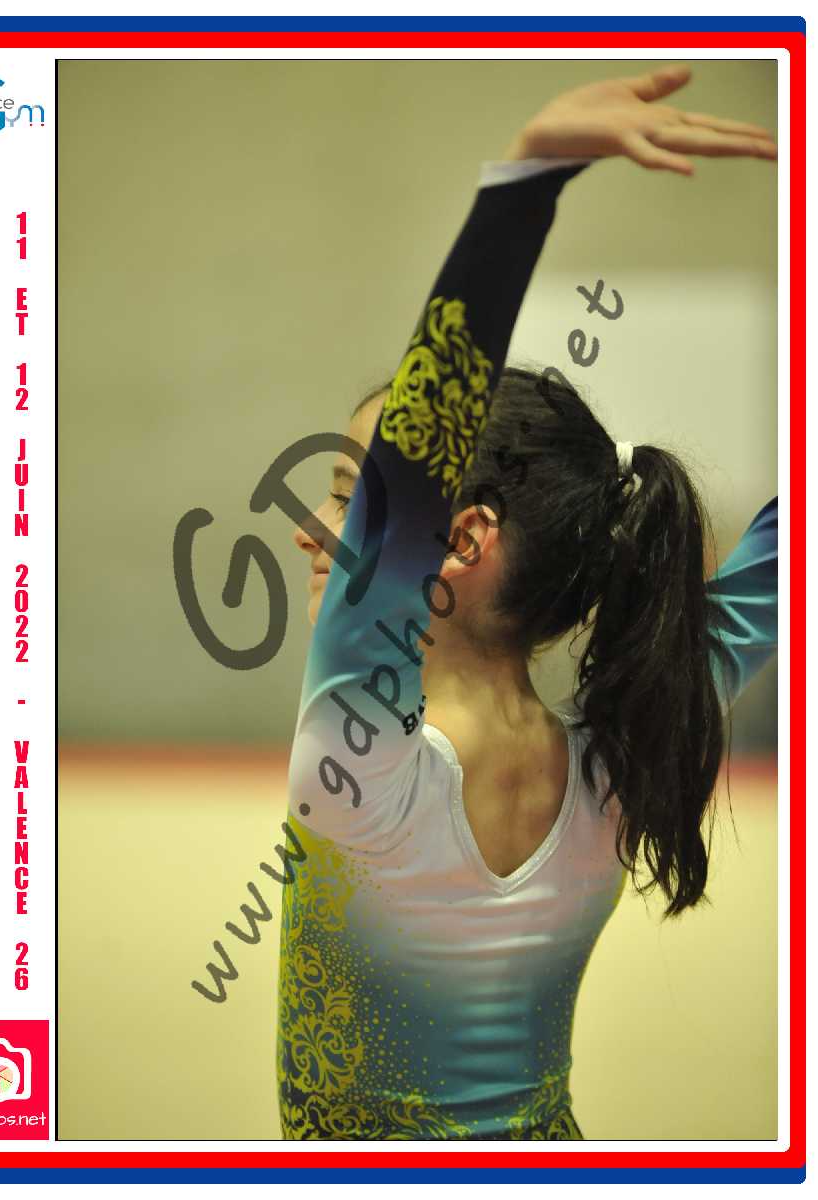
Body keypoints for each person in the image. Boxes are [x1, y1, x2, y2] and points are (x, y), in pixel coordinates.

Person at [279, 65, 778, 1140]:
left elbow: (423, 446)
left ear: (455, 543)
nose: (310, 529)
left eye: (350, 500)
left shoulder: (361, 759)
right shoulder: (633, 746)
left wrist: (526, 188)